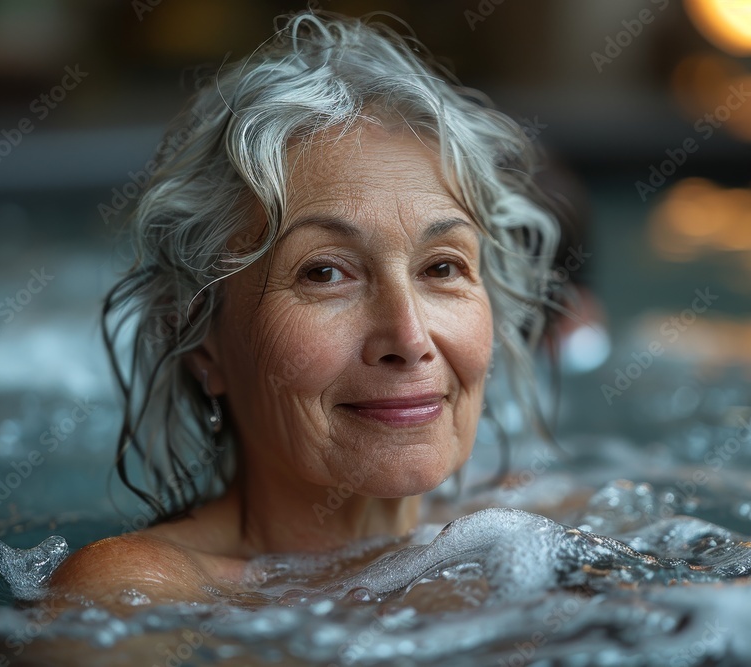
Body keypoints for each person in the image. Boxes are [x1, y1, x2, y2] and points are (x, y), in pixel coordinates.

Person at [48, 10, 569, 610]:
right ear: (197, 338)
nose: (408, 334)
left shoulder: (538, 527)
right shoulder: (136, 596)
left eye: (442, 268)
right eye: (324, 272)